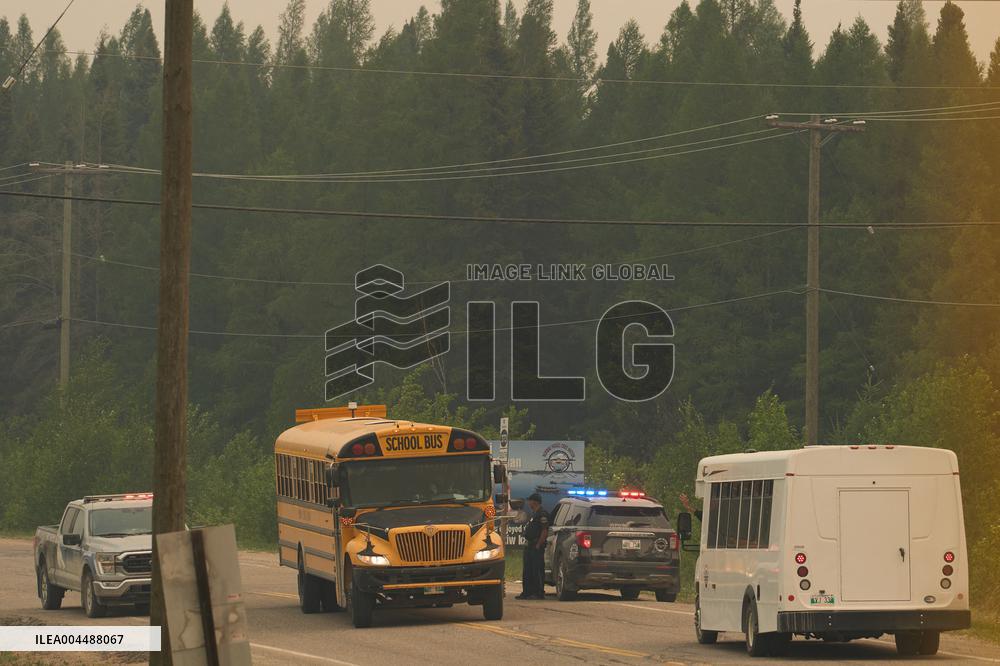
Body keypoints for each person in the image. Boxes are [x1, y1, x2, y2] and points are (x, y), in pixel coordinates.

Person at [516, 493, 549, 600]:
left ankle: (538, 592)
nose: (528, 503)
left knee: (536, 569)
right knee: (528, 570)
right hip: (529, 545)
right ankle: (527, 592)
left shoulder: (542, 514)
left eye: (529, 500)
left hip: (536, 545)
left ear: (534, 502)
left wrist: (539, 544)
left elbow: (544, 531)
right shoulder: (534, 514)